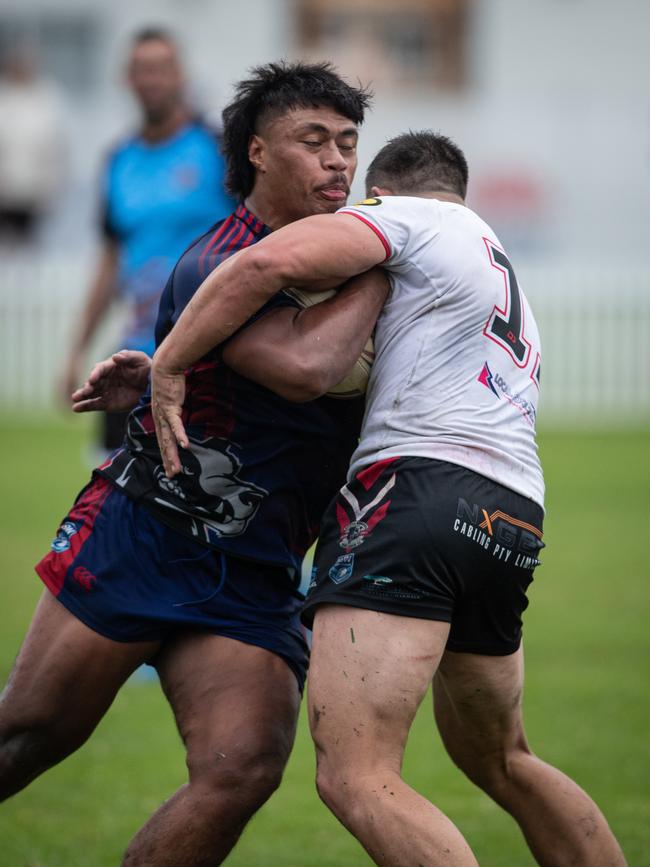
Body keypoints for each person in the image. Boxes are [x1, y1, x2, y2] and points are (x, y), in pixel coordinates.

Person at [151, 131, 627, 866]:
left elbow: (267, 260)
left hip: (412, 498)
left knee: (356, 771)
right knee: (503, 759)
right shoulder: (494, 264)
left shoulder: (408, 218)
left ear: (388, 190)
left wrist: (169, 363)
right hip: (511, 512)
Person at [0, 61, 385, 867]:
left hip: (254, 567)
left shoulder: (342, 255)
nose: (337, 163)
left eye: (348, 143)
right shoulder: (224, 262)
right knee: (30, 733)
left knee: (241, 767)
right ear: (255, 153)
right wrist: (388, 273)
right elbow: (305, 370)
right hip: (145, 535)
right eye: (312, 142)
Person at [60, 26, 235, 456]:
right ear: (127, 79)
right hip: (136, 353)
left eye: (161, 68)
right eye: (141, 69)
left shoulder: (216, 147)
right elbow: (110, 258)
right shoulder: (119, 160)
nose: (151, 79)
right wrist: (76, 351)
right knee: (112, 490)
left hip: (211, 350)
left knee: (207, 489)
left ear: (180, 75)